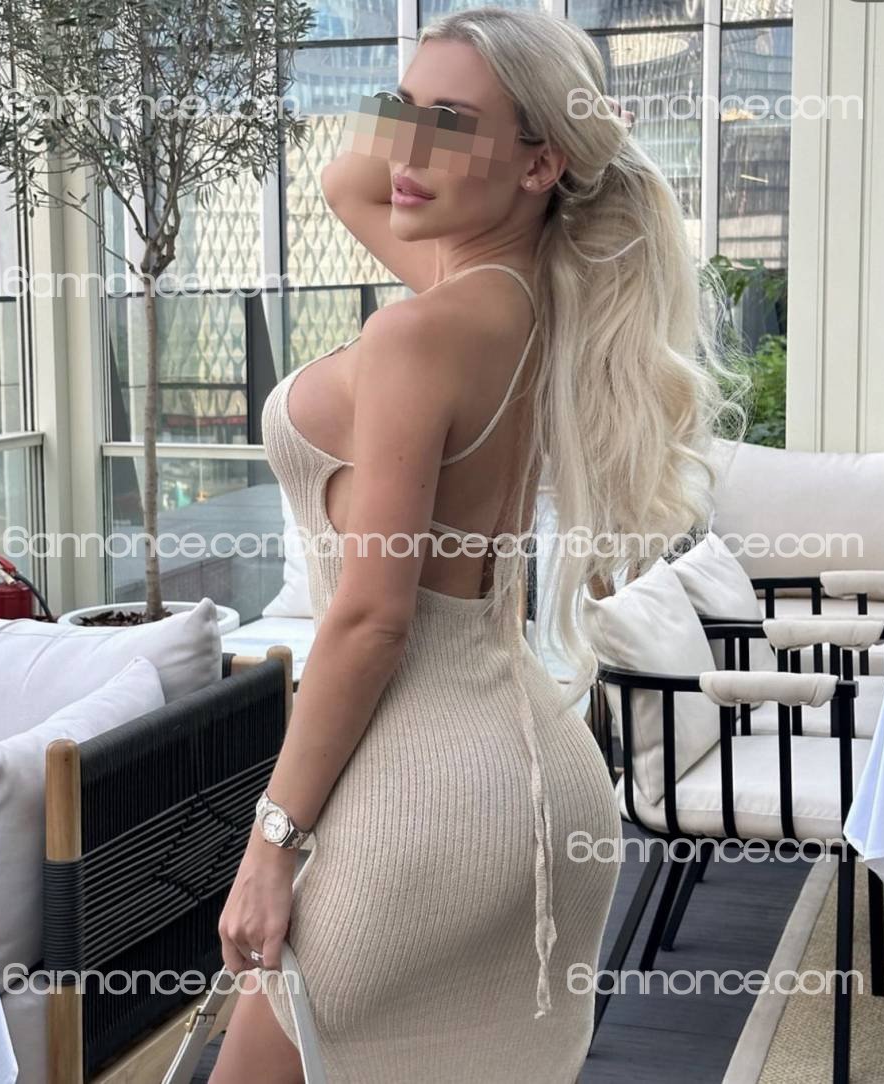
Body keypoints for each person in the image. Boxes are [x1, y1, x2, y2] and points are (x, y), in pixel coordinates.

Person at [210, 7, 747, 1083]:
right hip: (540, 781)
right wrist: (470, 111)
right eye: (403, 111)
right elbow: (349, 184)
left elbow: (371, 621)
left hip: (415, 799)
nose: (407, 146)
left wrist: (271, 842)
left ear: (541, 163)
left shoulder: (420, 331)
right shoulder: (536, 304)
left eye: (450, 123)